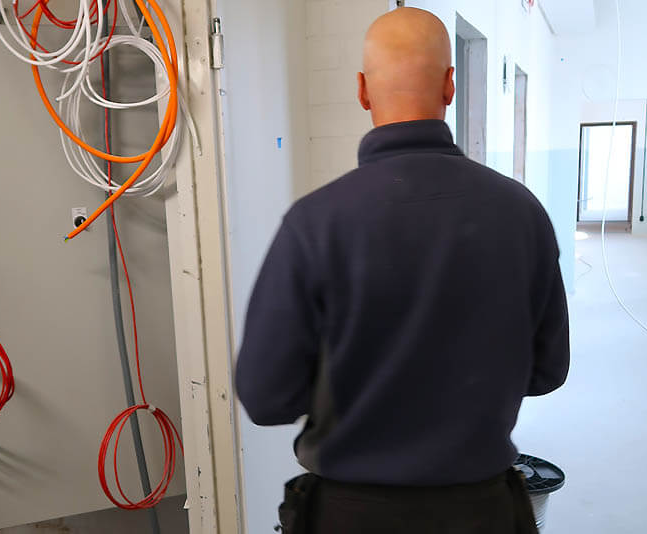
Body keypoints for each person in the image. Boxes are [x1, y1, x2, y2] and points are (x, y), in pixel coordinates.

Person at [235, 7, 569, 534]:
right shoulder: (522, 213)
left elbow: (266, 396)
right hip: (483, 512)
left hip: (350, 517)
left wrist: (354, 386)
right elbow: (548, 369)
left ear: (363, 90)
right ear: (450, 85)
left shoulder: (314, 222)